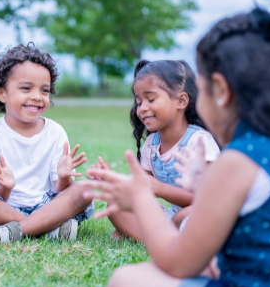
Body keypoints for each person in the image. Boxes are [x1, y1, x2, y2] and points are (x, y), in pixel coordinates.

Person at [82, 7, 270, 287]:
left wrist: (142, 197)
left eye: (201, 89)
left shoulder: (242, 158)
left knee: (126, 279)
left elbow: (178, 262)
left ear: (220, 90)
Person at [0, 43, 94, 244]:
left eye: (45, 90)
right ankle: (47, 228)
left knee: (84, 190)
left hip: (47, 206)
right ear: (2, 93)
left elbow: (60, 192)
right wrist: (6, 187)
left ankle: (13, 232)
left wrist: (64, 178)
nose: (37, 97)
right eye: (26, 88)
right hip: (4, 210)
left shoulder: (55, 132)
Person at [90, 60, 219, 241]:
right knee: (115, 207)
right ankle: (160, 235)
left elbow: (207, 199)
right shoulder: (151, 144)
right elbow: (141, 191)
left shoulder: (199, 142)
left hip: (205, 214)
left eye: (150, 99)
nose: (142, 108)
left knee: (185, 215)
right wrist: (116, 182)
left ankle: (152, 236)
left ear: (181, 101)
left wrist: (160, 189)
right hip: (174, 216)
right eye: (139, 101)